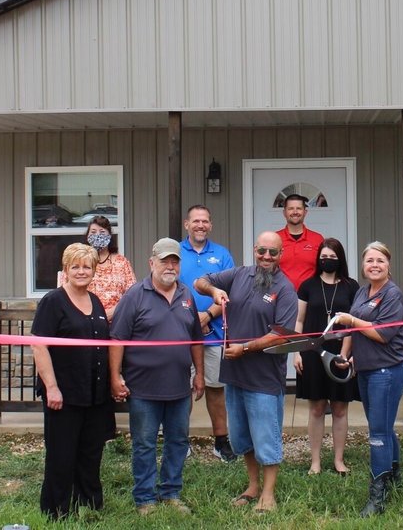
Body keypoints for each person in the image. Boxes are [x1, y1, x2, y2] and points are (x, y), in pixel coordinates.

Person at [195, 231, 298, 514]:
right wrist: (214, 292)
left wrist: (245, 348)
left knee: (266, 437)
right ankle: (252, 486)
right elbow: (198, 281)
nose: (266, 257)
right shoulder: (239, 275)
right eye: (262, 251)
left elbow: (281, 336)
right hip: (235, 374)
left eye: (272, 253)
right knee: (241, 437)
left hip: (264, 378)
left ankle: (268, 493)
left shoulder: (285, 289)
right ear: (255, 249)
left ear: (281, 255)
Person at [109, 238, 204, 516]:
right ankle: (145, 499)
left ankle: (171, 492)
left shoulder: (187, 295)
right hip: (143, 389)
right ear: (152, 263)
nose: (170, 266)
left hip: (179, 388)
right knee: (145, 444)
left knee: (178, 441)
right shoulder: (135, 295)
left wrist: (200, 374)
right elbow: (118, 339)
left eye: (174, 260)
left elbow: (196, 339)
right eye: (165, 260)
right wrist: (115, 376)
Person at [31, 243, 114, 519]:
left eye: (87, 267)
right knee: (61, 455)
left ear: (93, 271)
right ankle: (56, 512)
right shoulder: (53, 301)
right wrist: (51, 387)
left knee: (91, 454)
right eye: (75, 266)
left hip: (95, 394)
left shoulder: (97, 301)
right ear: (65, 270)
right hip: (64, 395)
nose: (81, 271)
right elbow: (39, 345)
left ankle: (89, 505)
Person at [334, 241, 403, 517]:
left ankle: (377, 495)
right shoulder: (364, 291)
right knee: (384, 427)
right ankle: (394, 477)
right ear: (363, 266)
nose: (374, 265)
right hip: (365, 369)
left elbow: (382, 334)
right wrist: (347, 356)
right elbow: (356, 333)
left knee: (377, 433)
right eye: (369, 261)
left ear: (388, 265)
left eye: (380, 260)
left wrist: (352, 321)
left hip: (387, 371)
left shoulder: (392, 294)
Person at [293, 238, 359, 476]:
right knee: (317, 408)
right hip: (312, 352)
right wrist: (297, 352)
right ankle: (315, 461)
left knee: (340, 409)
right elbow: (299, 321)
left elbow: (353, 324)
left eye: (332, 257)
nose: (327, 261)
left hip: (342, 352)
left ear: (339, 259)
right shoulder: (307, 286)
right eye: (324, 257)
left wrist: (346, 354)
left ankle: (339, 459)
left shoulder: (351, 286)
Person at [179, 205, 237, 462]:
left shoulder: (222, 255)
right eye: (196, 221)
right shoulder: (175, 253)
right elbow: (167, 289)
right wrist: (192, 320)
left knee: (216, 388)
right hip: (182, 335)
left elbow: (230, 291)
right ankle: (180, 441)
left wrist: (207, 315)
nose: (200, 225)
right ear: (186, 224)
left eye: (205, 221)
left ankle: (221, 441)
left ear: (210, 225)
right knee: (182, 389)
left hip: (214, 333)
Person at [84, 215, 136, 320]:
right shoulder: (80, 262)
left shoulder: (122, 262)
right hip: (85, 321)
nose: (97, 235)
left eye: (102, 232)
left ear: (109, 236)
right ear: (87, 236)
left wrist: (113, 312)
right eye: (93, 232)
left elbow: (133, 294)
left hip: (116, 321)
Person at [277, 194, 324, 291]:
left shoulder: (317, 239)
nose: (295, 212)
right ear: (284, 212)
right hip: (281, 296)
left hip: (311, 296)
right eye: (290, 208)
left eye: (298, 208)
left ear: (305, 212)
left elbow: (324, 270)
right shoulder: (275, 238)